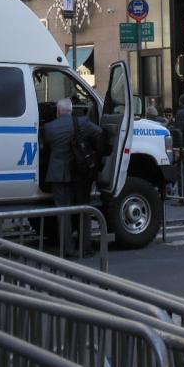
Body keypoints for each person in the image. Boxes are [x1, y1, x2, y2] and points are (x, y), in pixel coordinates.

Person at [41, 97, 105, 254]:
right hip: (80, 173)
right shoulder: (82, 123)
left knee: (63, 212)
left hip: (58, 174)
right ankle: (85, 247)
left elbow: (45, 149)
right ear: (71, 110)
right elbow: (100, 133)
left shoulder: (49, 128)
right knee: (83, 209)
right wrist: (94, 155)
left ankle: (67, 248)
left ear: (58, 111)